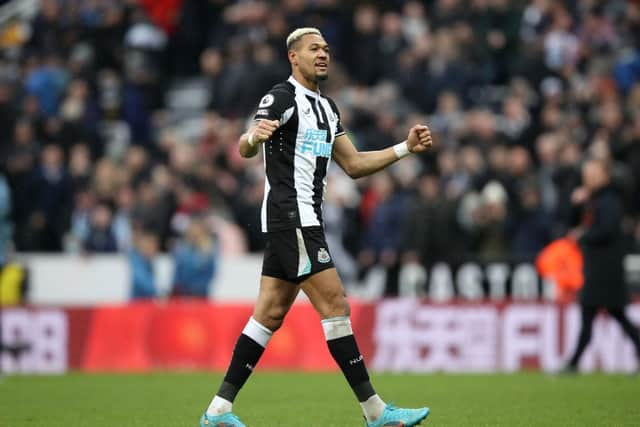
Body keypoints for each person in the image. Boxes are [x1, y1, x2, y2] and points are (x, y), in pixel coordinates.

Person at [199, 28, 433, 427]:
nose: (323, 54)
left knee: (270, 313)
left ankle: (218, 410)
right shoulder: (281, 97)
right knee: (336, 304)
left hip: (299, 219)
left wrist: (404, 148)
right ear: (294, 56)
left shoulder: (327, 109)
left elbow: (355, 164)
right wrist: (252, 138)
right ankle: (375, 412)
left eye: (326, 48)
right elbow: (245, 145)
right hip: (293, 217)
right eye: (314, 49)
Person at [564, 158, 640, 372]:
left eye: (593, 173)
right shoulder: (593, 199)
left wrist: (583, 236)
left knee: (593, 314)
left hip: (606, 269)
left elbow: (607, 230)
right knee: (616, 316)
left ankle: (572, 364)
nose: (588, 178)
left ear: (605, 175)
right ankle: (573, 363)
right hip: (597, 266)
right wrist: (576, 204)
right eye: (586, 174)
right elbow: (570, 221)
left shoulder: (610, 199)